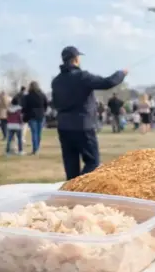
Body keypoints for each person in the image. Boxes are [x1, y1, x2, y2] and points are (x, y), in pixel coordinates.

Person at [51, 46, 127, 180]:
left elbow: (55, 103)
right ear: (75, 59)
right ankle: (80, 187)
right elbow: (107, 82)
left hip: (63, 126)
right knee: (93, 162)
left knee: (70, 166)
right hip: (83, 126)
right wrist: (121, 73)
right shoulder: (82, 76)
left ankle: (72, 192)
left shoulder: (56, 81)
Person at [23, 81, 49, 155]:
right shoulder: (42, 95)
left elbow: (25, 107)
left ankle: (35, 149)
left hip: (32, 116)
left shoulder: (28, 96)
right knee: (39, 133)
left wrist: (25, 115)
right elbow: (46, 104)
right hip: (41, 115)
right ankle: (37, 147)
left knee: (34, 133)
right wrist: (44, 110)